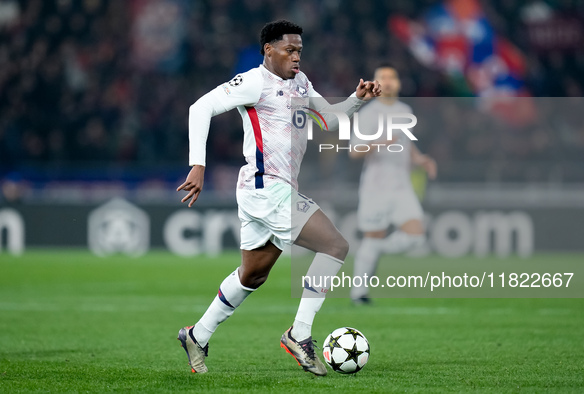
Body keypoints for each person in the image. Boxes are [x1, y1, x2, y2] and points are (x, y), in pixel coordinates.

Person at [176, 20, 381, 376]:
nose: (296, 56)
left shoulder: (301, 83)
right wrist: (198, 165)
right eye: (289, 50)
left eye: (299, 50)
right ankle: (299, 334)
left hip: (273, 190)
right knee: (335, 246)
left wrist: (356, 101)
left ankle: (197, 334)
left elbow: (327, 120)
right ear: (268, 50)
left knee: (252, 275)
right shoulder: (253, 82)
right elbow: (199, 108)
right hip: (266, 188)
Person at [349, 65, 437, 304]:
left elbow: (406, 146)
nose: (387, 82)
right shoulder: (369, 114)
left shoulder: (405, 110)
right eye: (382, 78)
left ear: (398, 83)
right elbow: (354, 151)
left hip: (402, 186)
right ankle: (358, 294)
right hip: (376, 187)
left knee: (416, 237)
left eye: (392, 77)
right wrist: (379, 141)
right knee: (373, 235)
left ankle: (374, 251)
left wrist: (420, 160)